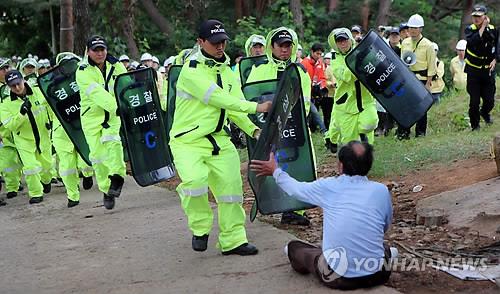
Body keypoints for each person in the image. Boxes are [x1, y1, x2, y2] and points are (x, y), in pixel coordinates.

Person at [170, 19, 272, 255]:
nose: (220, 47)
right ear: (200, 42)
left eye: (223, 42)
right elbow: (218, 98)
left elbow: (233, 108)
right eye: (215, 42)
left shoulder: (226, 71)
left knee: (231, 190)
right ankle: (200, 227)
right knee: (194, 183)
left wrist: (253, 130)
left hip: (219, 141)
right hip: (188, 142)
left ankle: (233, 240)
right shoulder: (191, 69)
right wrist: (256, 108)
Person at [249, 141, 394, 290]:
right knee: (383, 248)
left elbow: (295, 189)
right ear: (369, 165)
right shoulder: (381, 190)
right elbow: (385, 226)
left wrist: (275, 171)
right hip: (379, 274)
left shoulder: (329, 186)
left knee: (295, 248)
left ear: (340, 166)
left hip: (339, 277)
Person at [246, 26, 313, 226]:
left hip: (295, 126)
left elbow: (305, 102)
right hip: (268, 129)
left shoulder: (299, 71)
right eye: (280, 45)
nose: (284, 49)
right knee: (272, 164)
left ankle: (295, 210)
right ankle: (273, 201)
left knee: (299, 165)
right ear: (271, 47)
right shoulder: (259, 70)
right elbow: (252, 99)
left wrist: (295, 118)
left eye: (288, 46)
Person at [76, 35, 127, 210]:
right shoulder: (82, 71)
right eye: (95, 50)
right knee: (98, 158)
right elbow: (96, 93)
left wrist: (126, 105)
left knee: (113, 144)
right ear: (88, 52)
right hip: (91, 119)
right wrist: (116, 106)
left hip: (113, 117)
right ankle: (107, 190)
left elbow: (126, 85)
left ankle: (118, 178)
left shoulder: (117, 66)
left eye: (102, 49)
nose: (99, 53)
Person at [1, 70, 53, 204]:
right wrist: (21, 114)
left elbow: (50, 106)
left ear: (23, 80)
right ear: (8, 86)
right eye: (13, 86)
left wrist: (50, 121)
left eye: (18, 83)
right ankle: (36, 193)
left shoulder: (38, 91)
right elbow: (10, 126)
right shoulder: (5, 104)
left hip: (43, 135)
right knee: (30, 167)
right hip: (23, 140)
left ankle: (46, 180)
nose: (17, 88)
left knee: (46, 165)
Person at [50, 53, 94, 208]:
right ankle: (73, 196)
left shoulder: (84, 77)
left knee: (85, 159)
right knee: (67, 166)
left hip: (81, 125)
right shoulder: (52, 85)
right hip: (61, 131)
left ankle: (88, 175)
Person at [326, 28, 378, 145]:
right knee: (349, 141)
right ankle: (333, 141)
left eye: (345, 40)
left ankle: (363, 141)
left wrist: (365, 51)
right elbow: (347, 76)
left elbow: (374, 61)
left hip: (366, 100)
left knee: (370, 122)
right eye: (339, 41)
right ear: (336, 44)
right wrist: (359, 58)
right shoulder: (335, 60)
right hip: (346, 104)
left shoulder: (360, 50)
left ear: (350, 40)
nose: (343, 43)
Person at [399, 14, 436, 138]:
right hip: (408, 78)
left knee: (421, 108)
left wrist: (428, 83)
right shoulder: (404, 42)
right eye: (411, 28)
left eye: (416, 28)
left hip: (422, 79)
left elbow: (432, 65)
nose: (413, 30)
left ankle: (420, 133)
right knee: (404, 106)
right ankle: (404, 132)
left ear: (421, 29)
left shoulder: (428, 45)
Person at [464, 4, 498, 131]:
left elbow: (497, 45)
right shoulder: (470, 29)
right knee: (474, 101)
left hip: (488, 70)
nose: (476, 19)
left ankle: (485, 113)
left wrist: (495, 59)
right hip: (473, 71)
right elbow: (473, 42)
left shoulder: (493, 30)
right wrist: (483, 27)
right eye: (474, 17)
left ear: (485, 17)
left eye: (479, 17)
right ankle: (475, 125)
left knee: (489, 100)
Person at [0, 58, 23, 202]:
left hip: (20, 126)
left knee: (19, 160)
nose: (5, 70)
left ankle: (16, 183)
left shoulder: (15, 83)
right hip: (3, 131)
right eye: (2, 69)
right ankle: (11, 188)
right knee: (7, 161)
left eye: (7, 67)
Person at [301, 43, 328, 134]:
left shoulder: (320, 63)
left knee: (309, 114)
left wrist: (322, 86)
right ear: (312, 52)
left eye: (320, 54)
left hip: (314, 93)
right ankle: (324, 131)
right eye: (317, 53)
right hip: (304, 94)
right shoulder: (304, 63)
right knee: (314, 112)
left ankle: (307, 130)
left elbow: (322, 77)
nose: (319, 56)